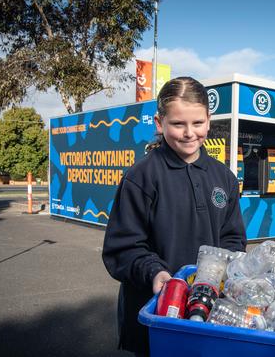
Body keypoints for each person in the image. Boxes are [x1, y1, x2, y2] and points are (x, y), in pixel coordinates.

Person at [102, 76, 247, 355]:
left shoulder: (224, 178)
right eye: (178, 124)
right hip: (156, 317)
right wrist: (155, 272)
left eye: (197, 123)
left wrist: (225, 272)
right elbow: (122, 248)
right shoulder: (141, 177)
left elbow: (234, 239)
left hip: (210, 313)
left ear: (208, 120)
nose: (189, 133)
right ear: (160, 123)